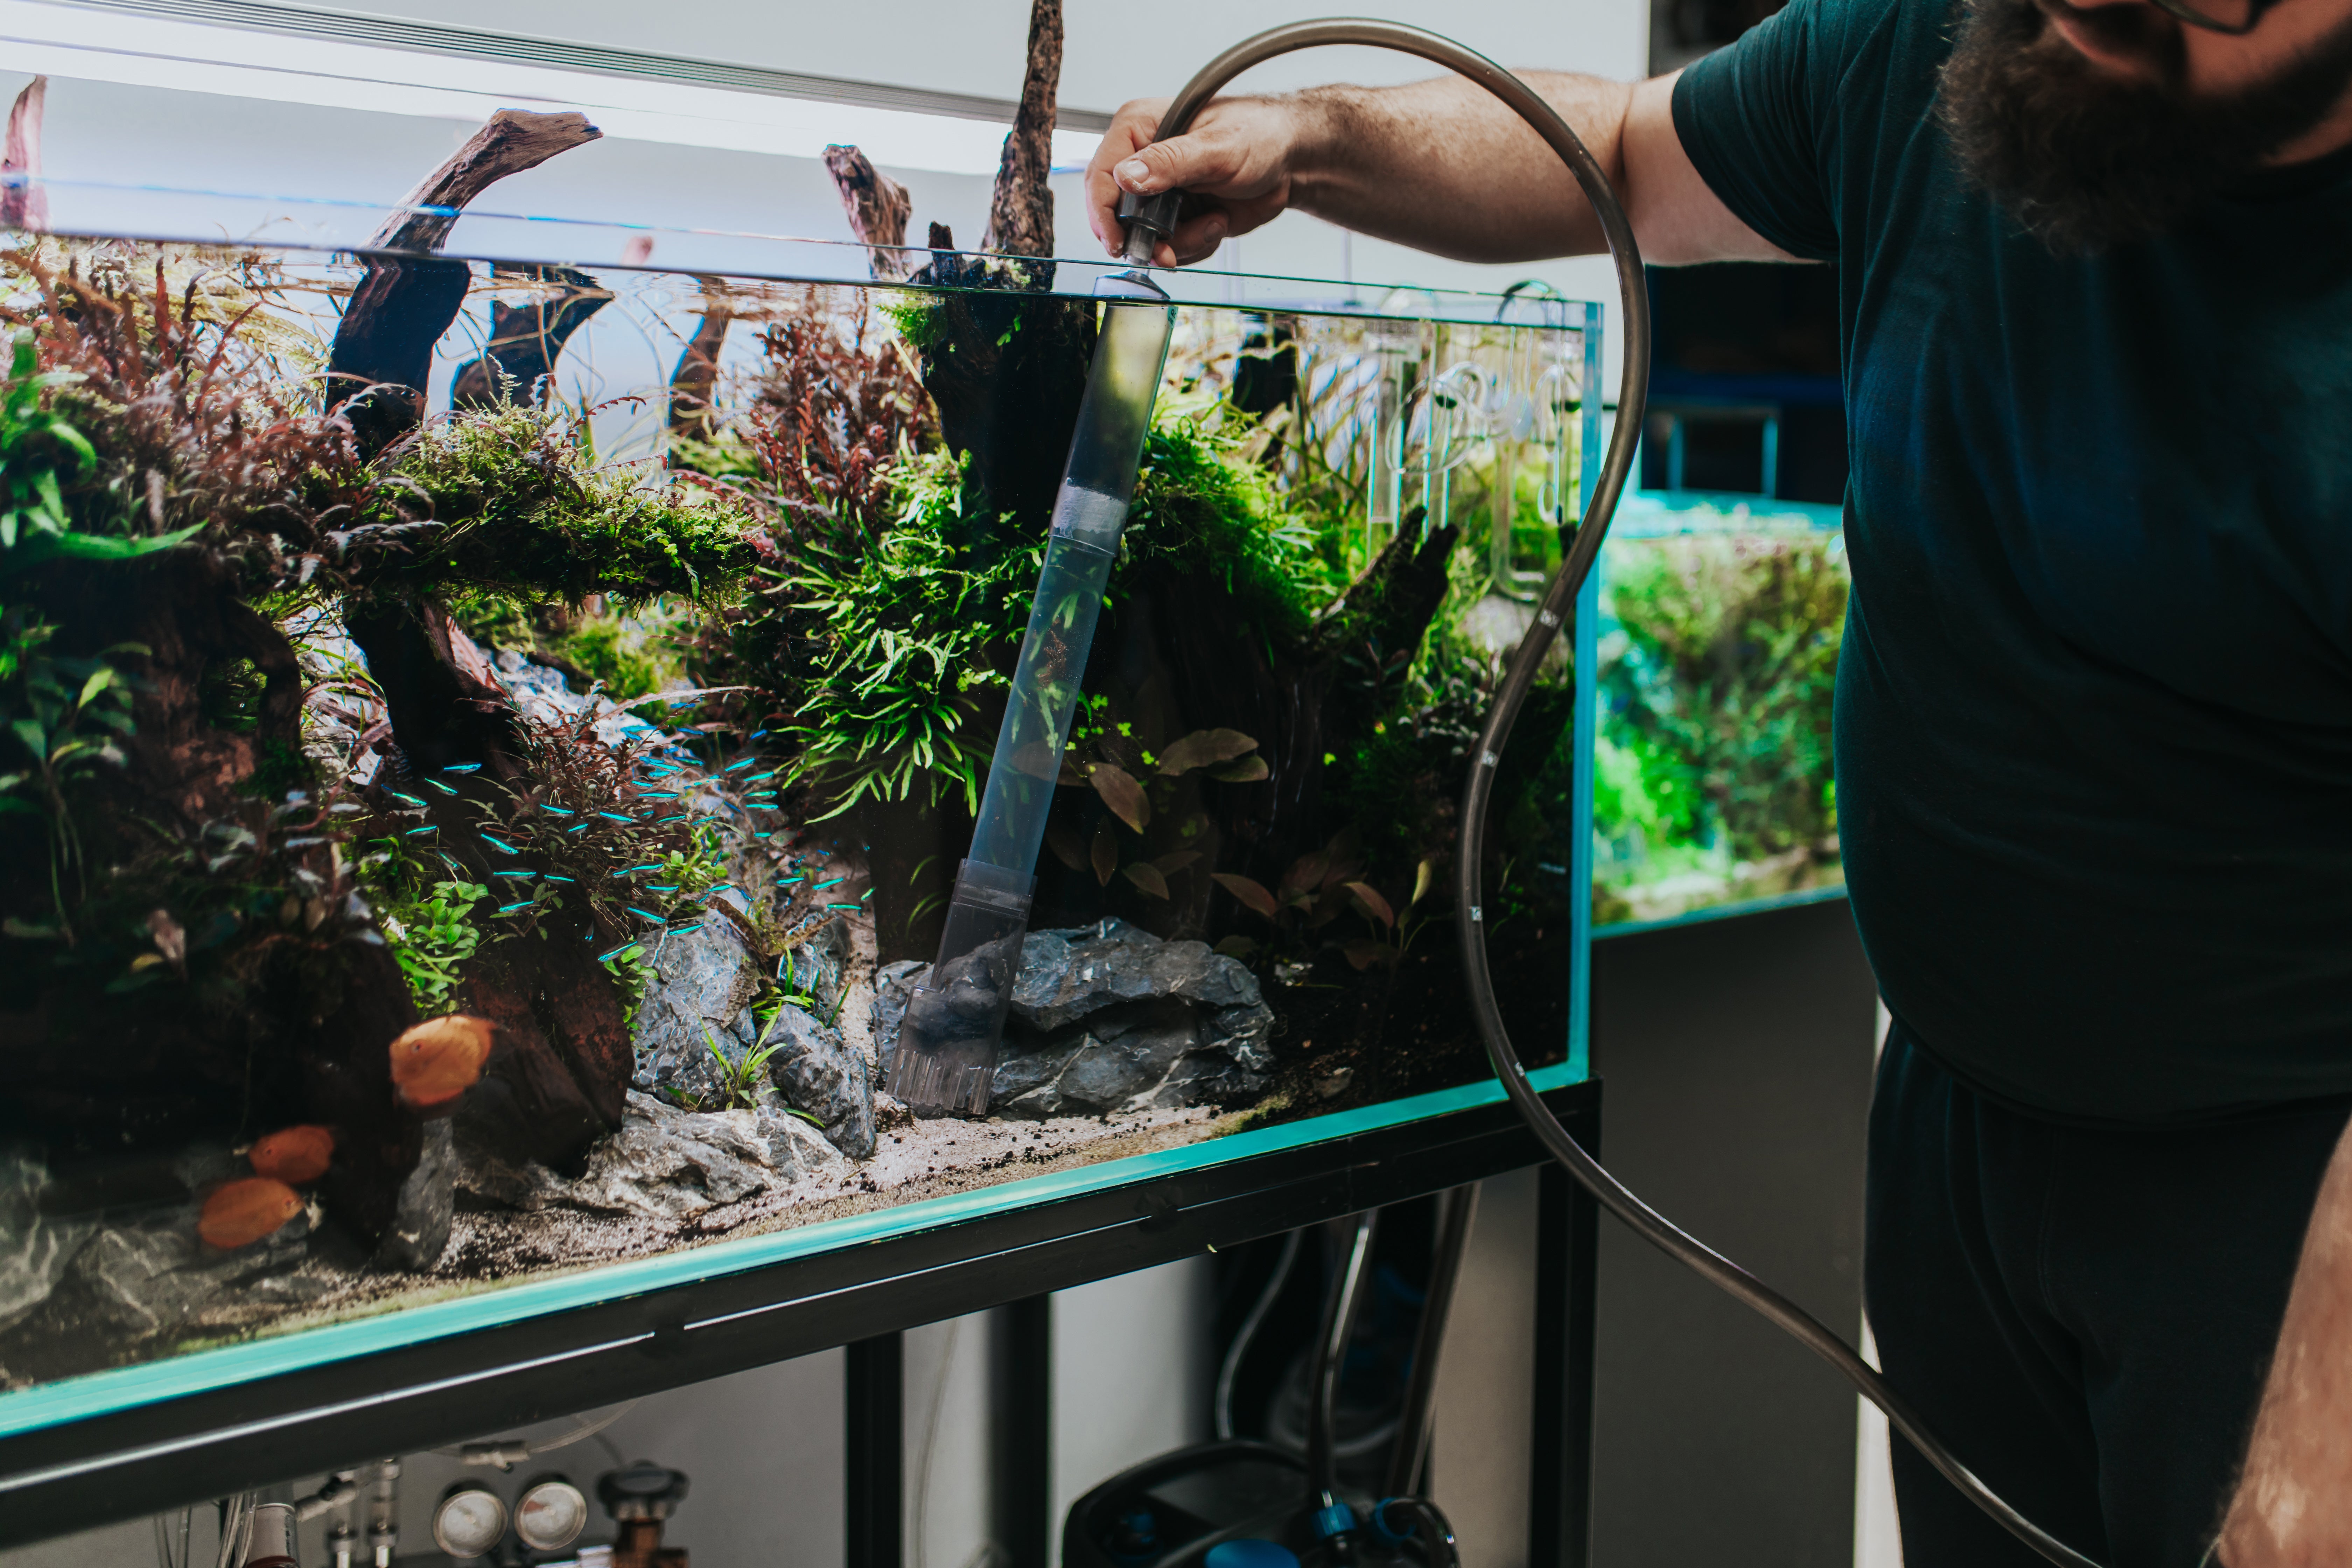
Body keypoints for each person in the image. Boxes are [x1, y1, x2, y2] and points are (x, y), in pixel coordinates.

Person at [1086, 2, 2352, 1563]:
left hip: (2288, 1202)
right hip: (1964, 1119)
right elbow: (1614, 151)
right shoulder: (1957, 41)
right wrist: (1313, 144)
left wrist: (2315, 1444)